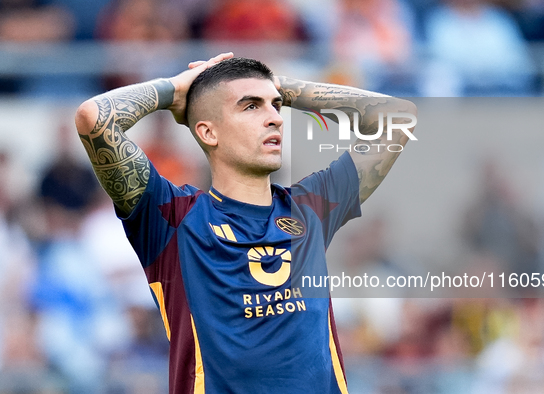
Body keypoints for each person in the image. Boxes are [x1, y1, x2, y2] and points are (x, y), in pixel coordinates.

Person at [74, 52, 417, 394]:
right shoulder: (172, 219)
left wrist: (280, 86)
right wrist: (176, 89)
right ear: (208, 132)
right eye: (251, 106)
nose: (275, 119)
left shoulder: (309, 208)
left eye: (276, 106)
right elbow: (95, 118)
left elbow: (398, 116)